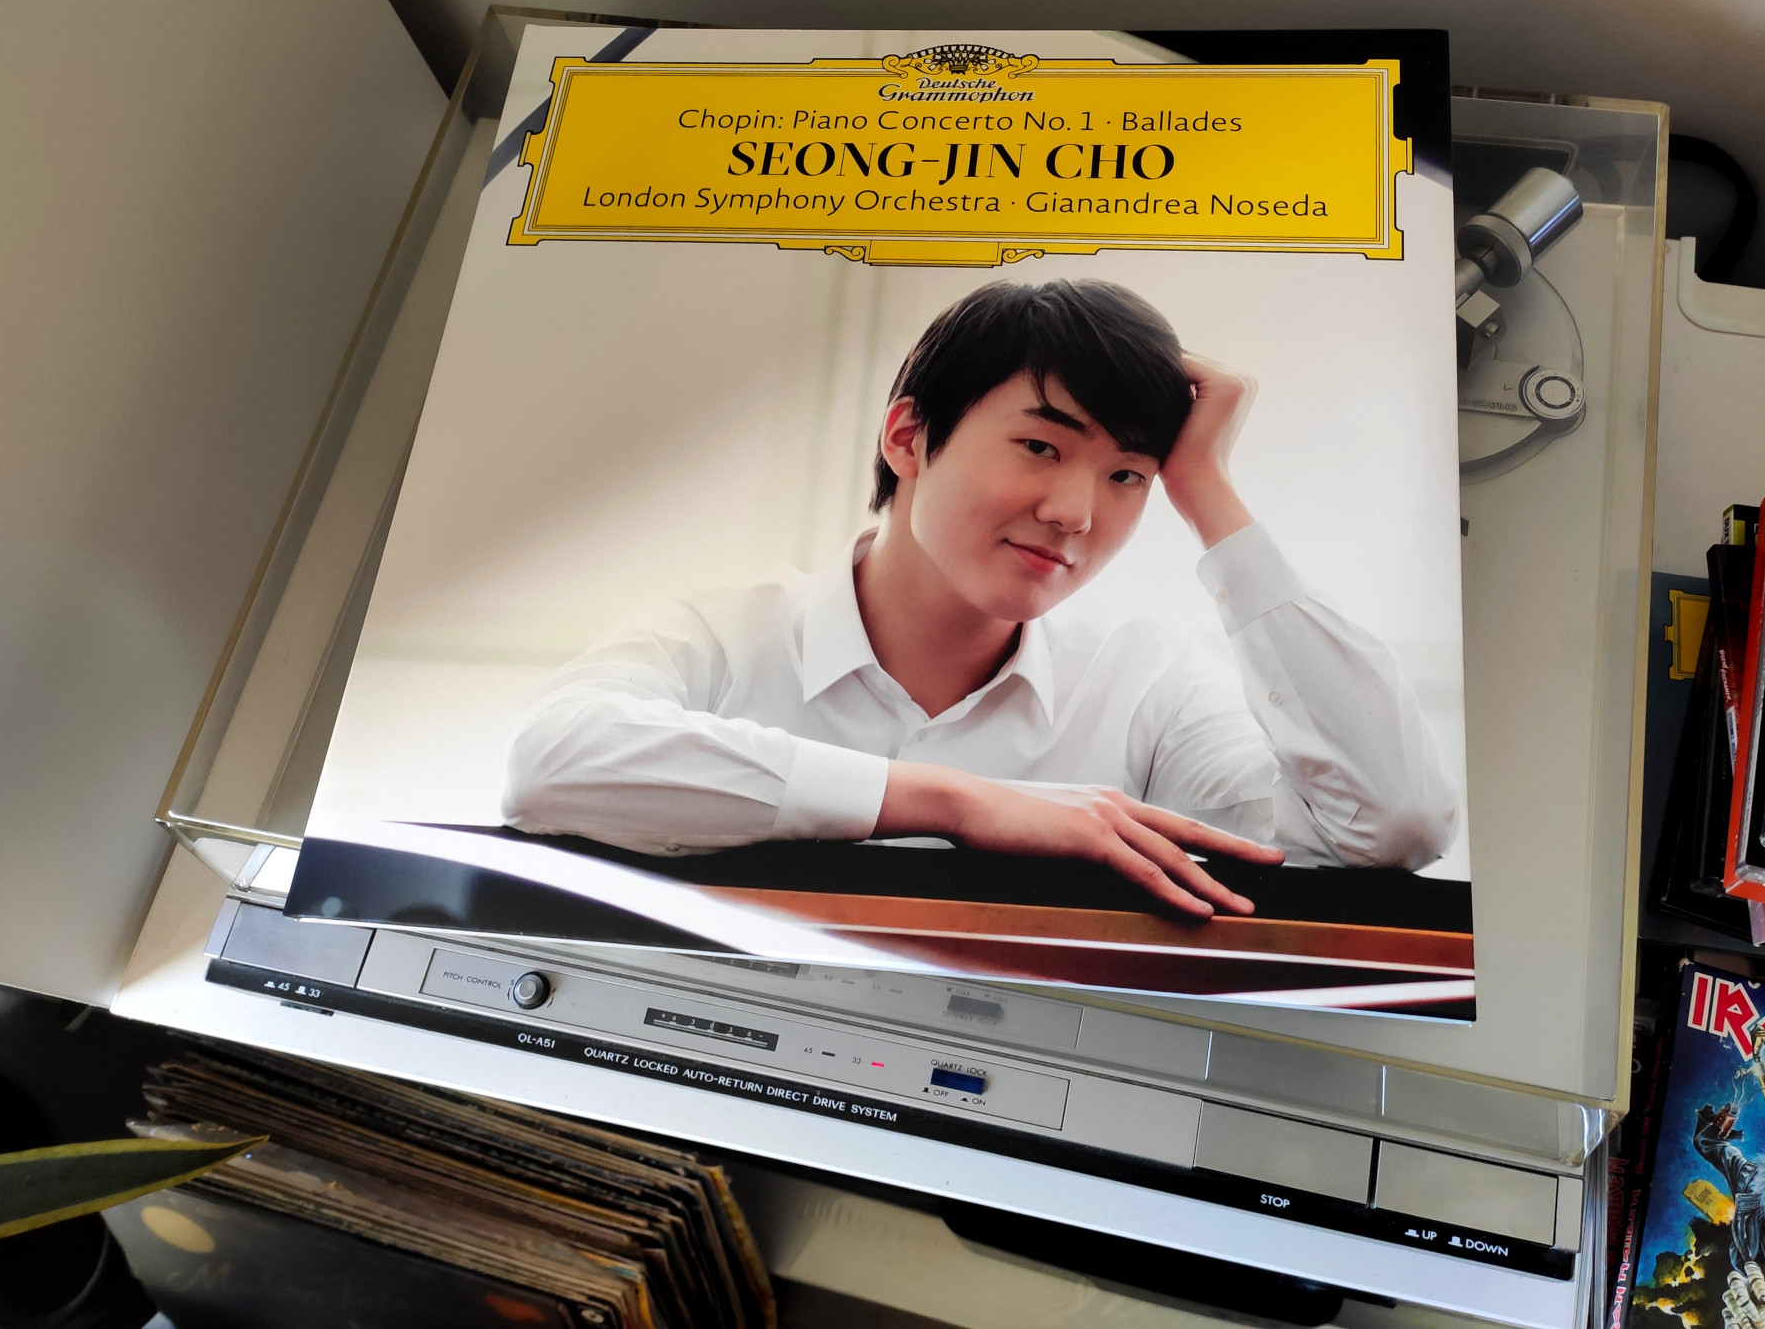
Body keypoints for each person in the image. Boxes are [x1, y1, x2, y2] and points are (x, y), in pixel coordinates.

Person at [504, 279, 1460, 918]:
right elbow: (551, 762)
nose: (1076, 512)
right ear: (908, 439)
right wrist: (960, 805)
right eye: (1041, 447)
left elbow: (1393, 829)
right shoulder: (722, 634)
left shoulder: (1148, 685)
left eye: (1127, 476)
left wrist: (1205, 488)